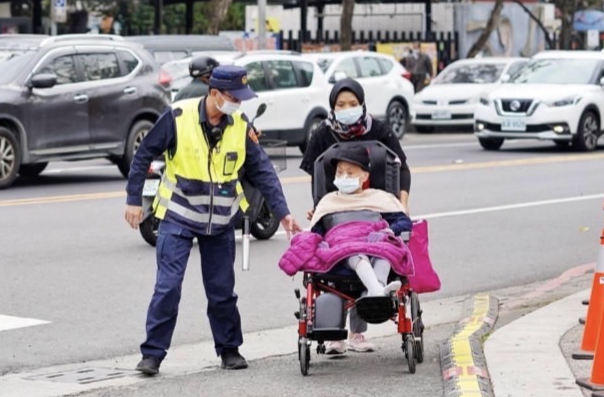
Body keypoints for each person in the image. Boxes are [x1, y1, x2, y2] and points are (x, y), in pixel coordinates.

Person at [124, 64, 302, 376]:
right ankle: (152, 354)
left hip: (219, 220)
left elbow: (262, 170)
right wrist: (133, 200)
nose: (238, 103)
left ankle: (229, 349)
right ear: (215, 93)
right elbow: (143, 156)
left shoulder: (239, 125)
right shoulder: (178, 117)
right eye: (234, 97)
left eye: (241, 98)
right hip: (177, 215)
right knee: (168, 287)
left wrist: (284, 213)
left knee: (221, 290)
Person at [299, 77, 412, 354]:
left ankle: (361, 328)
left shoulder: (380, 131)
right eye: (340, 104)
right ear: (332, 106)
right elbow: (317, 176)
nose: (346, 108)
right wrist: (321, 209)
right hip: (337, 209)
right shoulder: (322, 134)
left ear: (362, 104)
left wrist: (400, 204)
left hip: (373, 207)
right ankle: (335, 333)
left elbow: (402, 168)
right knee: (339, 252)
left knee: (382, 249)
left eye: (352, 103)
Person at [279, 146, 412, 298]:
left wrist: (388, 232)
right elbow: (317, 233)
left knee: (386, 250)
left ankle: (377, 290)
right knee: (355, 251)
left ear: (365, 176)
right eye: (340, 172)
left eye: (350, 173)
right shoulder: (328, 201)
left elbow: (403, 222)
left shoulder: (380, 198)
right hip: (343, 248)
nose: (344, 177)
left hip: (374, 241)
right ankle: (377, 292)